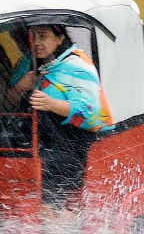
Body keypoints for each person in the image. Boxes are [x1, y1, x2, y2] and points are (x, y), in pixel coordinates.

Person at [8, 24, 113, 210]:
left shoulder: (77, 66)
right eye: (33, 37)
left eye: (43, 36)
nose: (37, 43)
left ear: (59, 38)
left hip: (70, 149)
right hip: (37, 144)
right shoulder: (28, 64)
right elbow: (7, 102)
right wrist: (21, 87)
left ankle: (57, 228)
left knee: (44, 191)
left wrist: (51, 104)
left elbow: (91, 114)